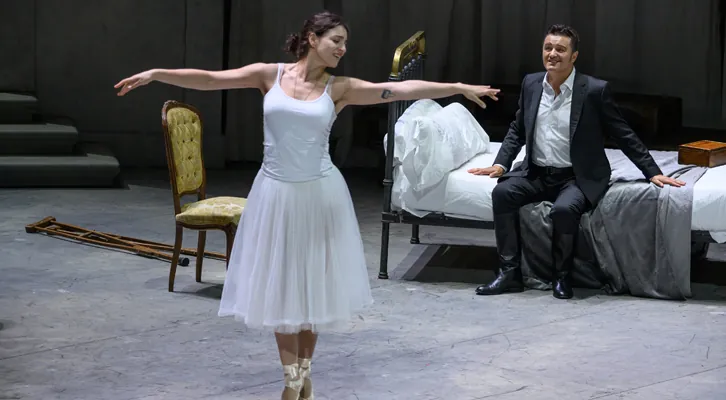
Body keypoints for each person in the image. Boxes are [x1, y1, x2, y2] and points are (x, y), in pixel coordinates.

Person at [114, 11, 500, 400]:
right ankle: (291, 380)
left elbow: (398, 90)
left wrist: (456, 87)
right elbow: (211, 80)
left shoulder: (340, 88)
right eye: (336, 40)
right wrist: (157, 74)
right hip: (275, 193)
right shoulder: (269, 75)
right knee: (282, 286)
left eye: (345, 43)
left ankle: (304, 375)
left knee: (311, 285)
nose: (342, 49)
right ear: (312, 39)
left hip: (319, 194)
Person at [468, 24, 684, 300]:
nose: (552, 54)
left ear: (574, 56)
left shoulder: (594, 90)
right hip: (536, 173)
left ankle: (562, 277)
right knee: (502, 193)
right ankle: (509, 274)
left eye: (560, 49)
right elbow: (518, 129)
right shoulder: (531, 84)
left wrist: (651, 172)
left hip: (576, 177)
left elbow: (622, 133)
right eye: (548, 48)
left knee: (563, 210)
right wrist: (501, 164)